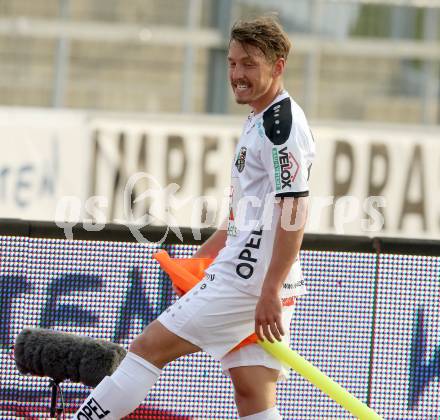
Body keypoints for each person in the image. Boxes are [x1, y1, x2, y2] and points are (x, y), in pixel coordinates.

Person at [73, 15, 315, 420]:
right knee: (253, 390)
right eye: (232, 62)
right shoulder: (260, 115)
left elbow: (295, 210)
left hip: (249, 282)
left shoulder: (280, 127)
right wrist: (203, 259)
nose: (237, 74)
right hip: (256, 276)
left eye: (249, 64)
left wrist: (269, 288)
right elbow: (247, 213)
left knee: (147, 351)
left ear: (278, 66)